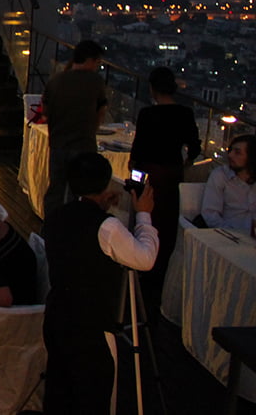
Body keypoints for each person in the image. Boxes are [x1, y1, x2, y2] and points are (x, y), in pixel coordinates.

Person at [43, 151, 157, 414]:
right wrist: (144, 216)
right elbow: (145, 258)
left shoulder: (57, 216)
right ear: (107, 184)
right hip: (90, 327)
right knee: (93, 397)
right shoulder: (106, 227)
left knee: (60, 392)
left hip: (58, 316)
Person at [128, 66, 201, 289]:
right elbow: (195, 147)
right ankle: (162, 272)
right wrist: (185, 163)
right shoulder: (185, 114)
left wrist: (135, 177)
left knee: (146, 216)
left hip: (150, 175)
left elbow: (138, 152)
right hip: (173, 175)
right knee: (168, 223)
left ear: (152, 89)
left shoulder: (148, 114)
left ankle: (143, 264)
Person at [42, 40, 107, 219]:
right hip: (84, 144)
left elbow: (45, 111)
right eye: (97, 62)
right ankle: (72, 229)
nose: (97, 66)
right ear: (91, 60)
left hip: (58, 143)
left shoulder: (56, 80)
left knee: (56, 188)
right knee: (78, 192)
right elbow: (101, 111)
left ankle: (50, 228)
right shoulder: (95, 82)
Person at [202, 134, 255, 231]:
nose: (230, 155)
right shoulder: (221, 176)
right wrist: (231, 233)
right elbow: (210, 214)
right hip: (229, 236)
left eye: (237, 153)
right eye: (231, 151)